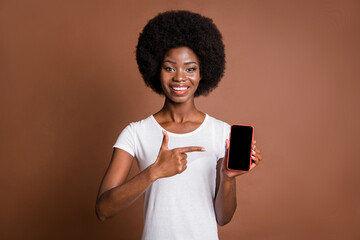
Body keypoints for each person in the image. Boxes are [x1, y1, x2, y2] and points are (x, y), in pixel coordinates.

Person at [95, 10, 263, 240]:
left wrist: (227, 177)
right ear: (156, 69)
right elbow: (103, 210)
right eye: (169, 67)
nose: (180, 77)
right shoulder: (135, 133)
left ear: (203, 72)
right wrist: (153, 172)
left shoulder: (222, 133)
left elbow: (223, 218)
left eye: (190, 68)